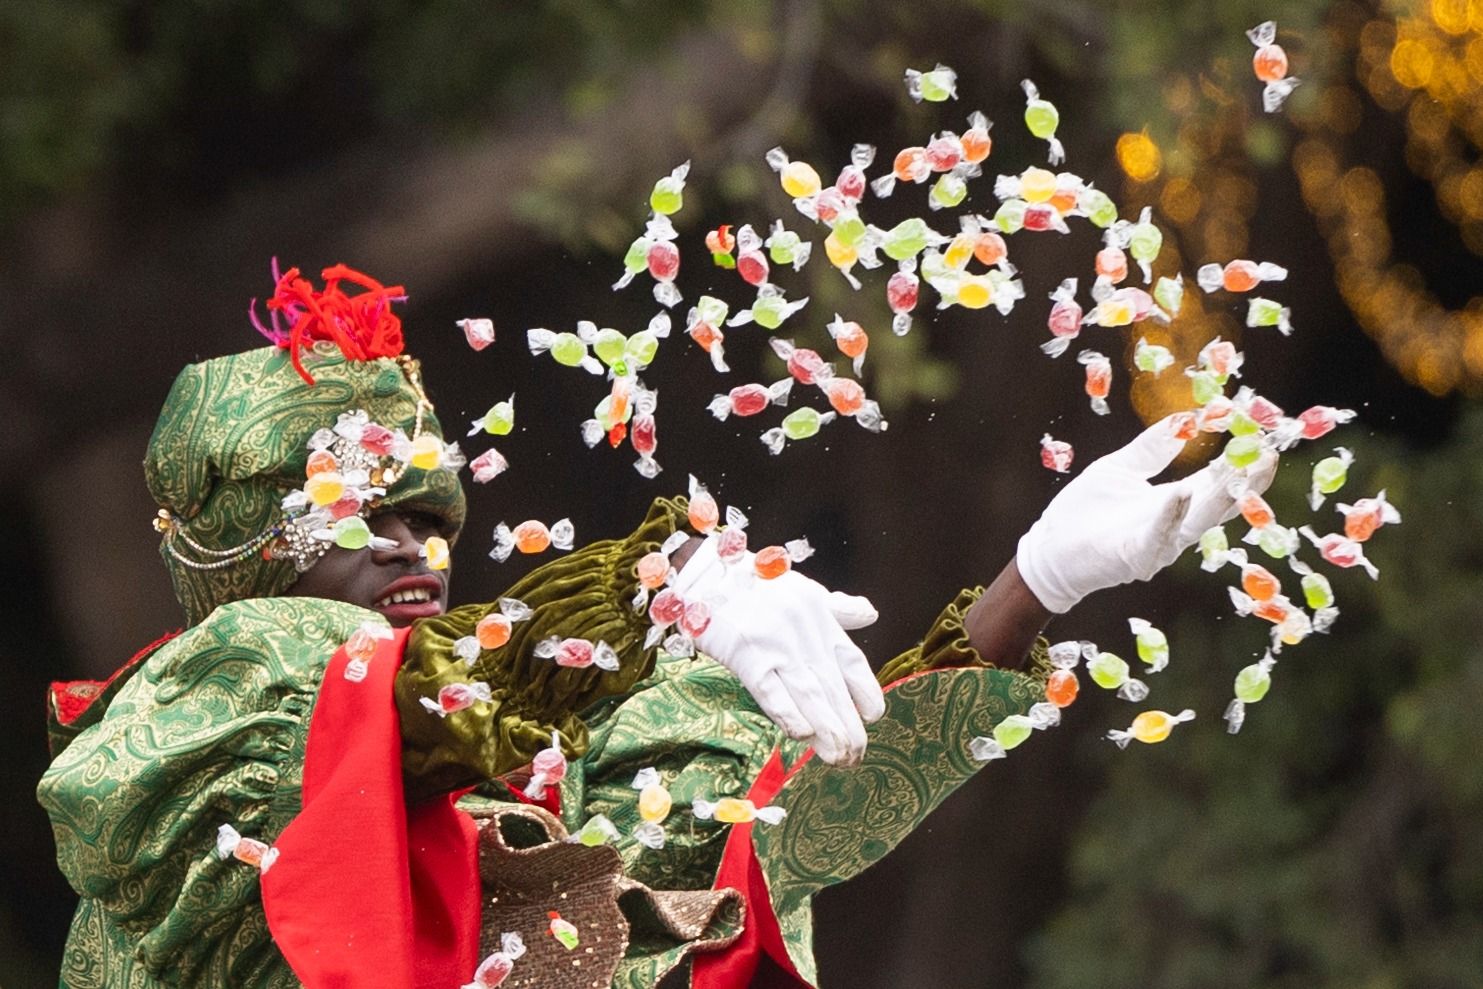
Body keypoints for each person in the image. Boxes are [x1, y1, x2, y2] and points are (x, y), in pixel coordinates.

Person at [37, 263, 1273, 988]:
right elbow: (371, 711)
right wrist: (653, 583)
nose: (408, 541)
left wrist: (1032, 584)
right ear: (225, 547)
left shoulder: (518, 778)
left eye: (425, 510)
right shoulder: (196, 730)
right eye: (353, 509)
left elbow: (767, 845)